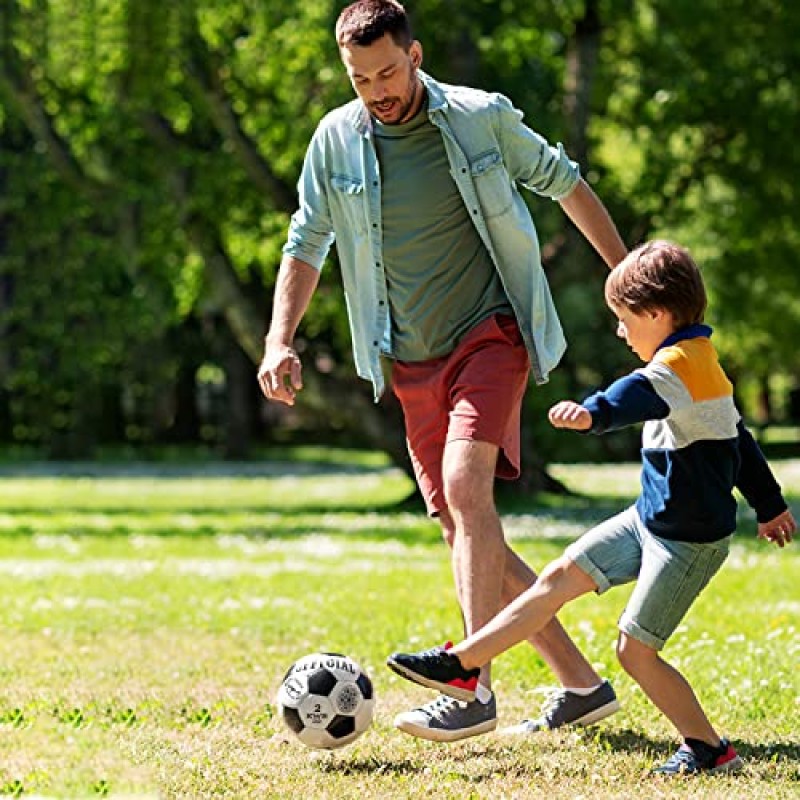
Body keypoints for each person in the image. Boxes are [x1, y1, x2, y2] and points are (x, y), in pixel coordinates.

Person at [258, 0, 628, 742]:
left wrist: (628, 284)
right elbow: (307, 241)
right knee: (463, 527)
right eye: (361, 78)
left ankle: (470, 685)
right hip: (406, 354)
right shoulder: (334, 141)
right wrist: (280, 338)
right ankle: (581, 687)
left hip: (488, 333)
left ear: (416, 54)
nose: (377, 89)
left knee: (467, 492)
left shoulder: (477, 117)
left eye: (388, 71)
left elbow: (565, 181)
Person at [387, 240, 796, 773]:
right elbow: (739, 442)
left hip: (687, 543)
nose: (621, 332)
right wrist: (771, 506)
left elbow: (636, 396)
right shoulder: (699, 361)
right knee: (556, 577)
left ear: (657, 313)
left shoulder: (681, 365)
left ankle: (708, 748)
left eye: (625, 320)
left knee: (635, 652)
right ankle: (463, 666)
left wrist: (591, 414)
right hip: (647, 521)